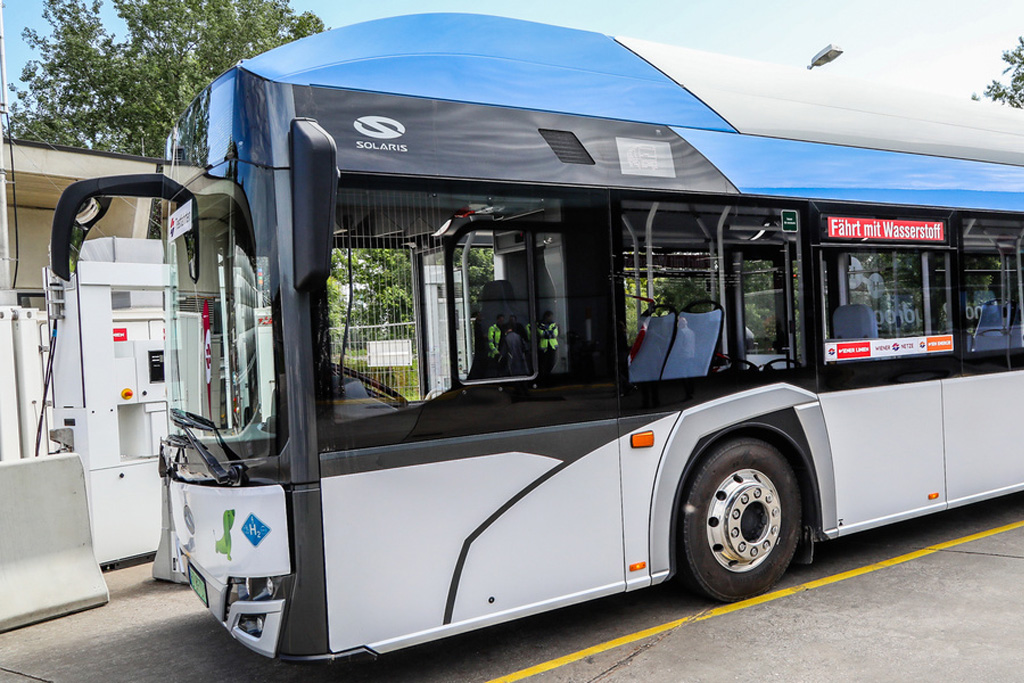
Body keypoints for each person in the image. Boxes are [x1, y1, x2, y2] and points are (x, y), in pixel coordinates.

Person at [536, 310, 559, 377]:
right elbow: (541, 334)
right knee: (543, 363)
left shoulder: (553, 324)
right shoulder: (540, 324)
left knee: (552, 362)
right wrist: (549, 333)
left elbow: (555, 334)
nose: (551, 318)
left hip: (552, 346)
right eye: (550, 317)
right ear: (546, 316)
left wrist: (547, 333)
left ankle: (549, 374)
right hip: (543, 347)